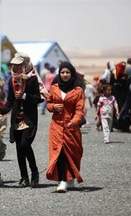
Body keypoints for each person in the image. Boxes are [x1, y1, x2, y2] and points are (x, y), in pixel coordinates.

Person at [0, 53, 43, 188]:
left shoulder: (32, 80)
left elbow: (38, 98)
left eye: (19, 65)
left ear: (25, 65)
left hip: (29, 119)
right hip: (17, 120)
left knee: (24, 145)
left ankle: (35, 173)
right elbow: (10, 102)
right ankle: (24, 177)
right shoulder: (11, 80)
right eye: (14, 65)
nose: (16, 68)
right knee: (19, 149)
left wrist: (24, 95)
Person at [46, 62, 85, 193]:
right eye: (62, 72)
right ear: (59, 74)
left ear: (72, 73)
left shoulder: (78, 90)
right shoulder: (54, 88)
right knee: (59, 152)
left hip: (71, 128)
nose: (65, 75)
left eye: (67, 72)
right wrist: (53, 107)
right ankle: (62, 180)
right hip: (56, 126)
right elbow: (48, 104)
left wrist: (74, 122)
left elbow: (80, 111)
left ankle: (70, 177)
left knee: (73, 154)